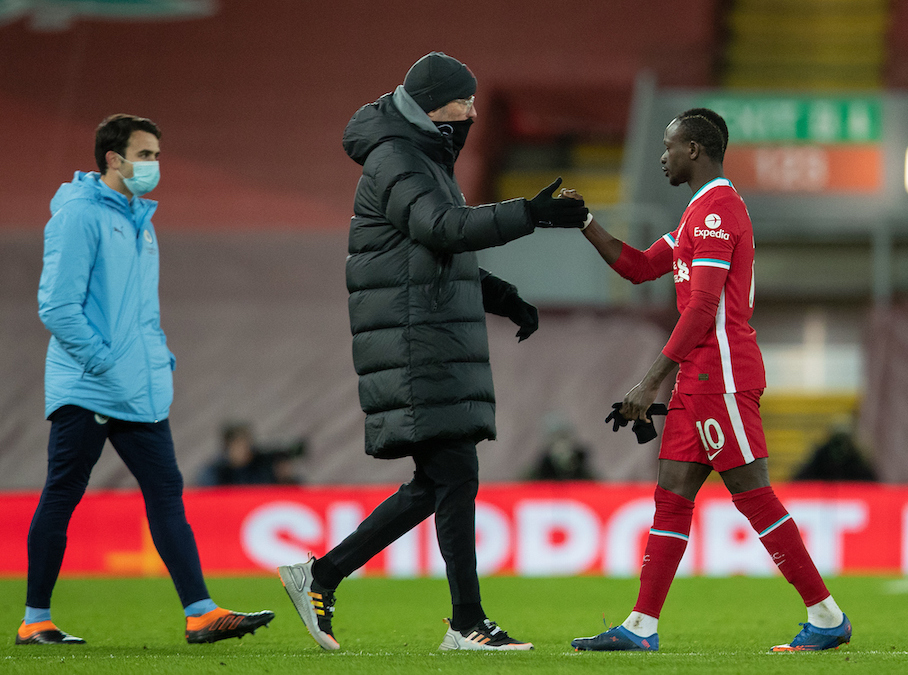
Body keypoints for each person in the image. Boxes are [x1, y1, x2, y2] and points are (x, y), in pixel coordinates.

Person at [276, 52, 588, 652]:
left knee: (439, 481)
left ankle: (322, 575)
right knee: (454, 474)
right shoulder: (397, 158)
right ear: (432, 105)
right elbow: (445, 228)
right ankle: (466, 622)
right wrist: (530, 214)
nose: (472, 112)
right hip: (413, 342)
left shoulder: (417, 158)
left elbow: (438, 252)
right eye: (463, 101)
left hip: (427, 336)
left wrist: (502, 297)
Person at [567, 108, 852, 653]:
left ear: (694, 150)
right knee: (671, 496)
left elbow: (702, 310)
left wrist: (648, 384)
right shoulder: (696, 215)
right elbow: (639, 266)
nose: (662, 156)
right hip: (696, 381)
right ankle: (641, 626)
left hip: (721, 375)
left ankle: (826, 614)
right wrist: (584, 222)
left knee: (753, 495)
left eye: (670, 145)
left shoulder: (719, 211)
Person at [20, 114, 274, 646]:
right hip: (90, 385)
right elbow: (57, 307)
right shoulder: (78, 216)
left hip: (137, 387)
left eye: (157, 155)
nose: (154, 165)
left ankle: (200, 612)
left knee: (166, 492)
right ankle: (35, 619)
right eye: (146, 155)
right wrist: (105, 360)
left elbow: (141, 310)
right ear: (113, 158)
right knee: (63, 493)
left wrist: (157, 356)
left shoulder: (140, 221)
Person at [198, 422, 305, 486]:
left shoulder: (263, 464)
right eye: (238, 445)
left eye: (247, 444)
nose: (244, 449)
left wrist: (285, 479)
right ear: (228, 447)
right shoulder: (216, 471)